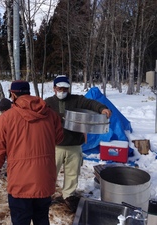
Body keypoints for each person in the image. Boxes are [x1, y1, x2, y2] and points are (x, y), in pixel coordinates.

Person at [0, 80, 64, 225]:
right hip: (44, 178)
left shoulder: (5, 118)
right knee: (42, 218)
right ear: (28, 92)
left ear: (13, 94)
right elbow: (59, 138)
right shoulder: (50, 115)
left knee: (20, 220)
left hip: (20, 182)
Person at [45, 75, 112, 212]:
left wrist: (102, 108)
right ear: (54, 88)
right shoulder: (48, 103)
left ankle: (68, 195)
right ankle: (45, 195)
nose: (62, 91)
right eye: (60, 88)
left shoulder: (77, 100)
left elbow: (91, 104)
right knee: (49, 172)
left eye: (65, 88)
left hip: (74, 145)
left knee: (72, 173)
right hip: (55, 146)